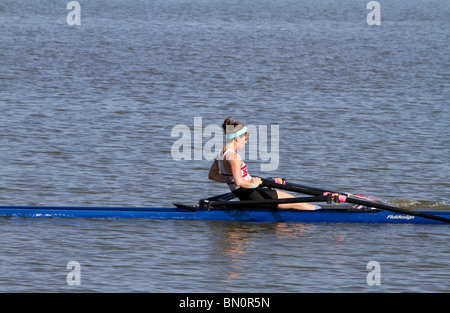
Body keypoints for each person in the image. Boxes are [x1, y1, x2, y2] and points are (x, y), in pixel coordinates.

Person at [208, 116, 319, 210]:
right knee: (298, 202)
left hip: (245, 195)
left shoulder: (221, 153)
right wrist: (253, 184)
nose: (246, 142)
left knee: (294, 204)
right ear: (237, 138)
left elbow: (212, 175)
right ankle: (321, 213)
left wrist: (230, 179)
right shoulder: (234, 157)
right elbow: (239, 182)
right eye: (245, 139)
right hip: (253, 194)